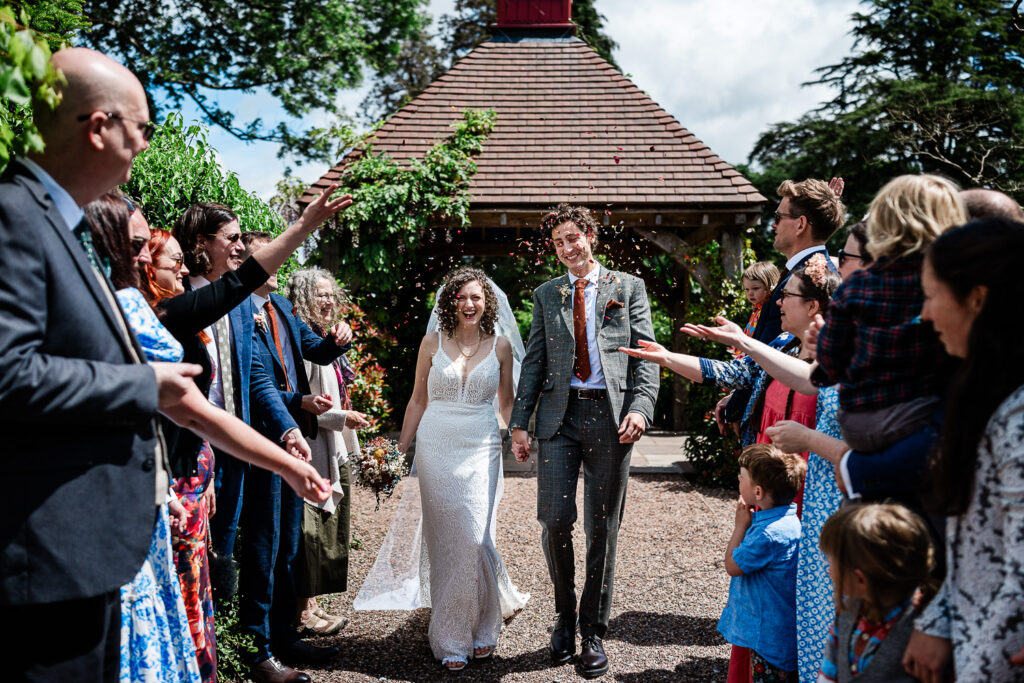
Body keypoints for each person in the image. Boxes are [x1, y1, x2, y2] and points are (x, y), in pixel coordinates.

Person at [0, 47, 199, 682]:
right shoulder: (12, 216)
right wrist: (142, 384)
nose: (145, 143)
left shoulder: (62, 224)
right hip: (44, 559)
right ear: (98, 127)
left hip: (81, 556)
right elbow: (8, 374)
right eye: (140, 127)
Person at [510, 204, 659, 679]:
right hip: (559, 417)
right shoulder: (546, 294)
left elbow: (646, 355)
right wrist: (519, 422)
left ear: (590, 236)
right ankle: (564, 614)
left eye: (573, 237)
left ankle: (593, 629)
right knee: (554, 519)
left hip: (611, 417)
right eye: (558, 242)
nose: (567, 247)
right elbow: (534, 361)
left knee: (602, 526)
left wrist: (641, 407)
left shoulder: (627, 287)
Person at [356, 266, 528, 671]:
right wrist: (397, 451)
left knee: (476, 535)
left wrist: (519, 435)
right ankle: (451, 634)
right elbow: (418, 399)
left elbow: (506, 403)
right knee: (448, 540)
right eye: (461, 297)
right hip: (436, 446)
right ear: (449, 302)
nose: (469, 304)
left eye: (476, 297)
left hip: (482, 445)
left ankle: (484, 621)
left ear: (487, 303)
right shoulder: (431, 343)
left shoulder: (501, 346)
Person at [902, 218, 1024, 682]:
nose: (924, 314)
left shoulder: (1018, 415)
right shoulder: (984, 389)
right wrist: (939, 621)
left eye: (931, 296)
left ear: (976, 298)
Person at [244, 232, 353, 677]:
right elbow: (257, 383)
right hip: (263, 440)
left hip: (296, 441)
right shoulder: (240, 311)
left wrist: (339, 339)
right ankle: (257, 649)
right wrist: (299, 404)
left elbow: (317, 351)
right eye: (265, 255)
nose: (277, 263)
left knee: (288, 545)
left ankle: (285, 636)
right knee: (264, 547)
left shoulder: (283, 308)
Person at [811, 174, 965, 453]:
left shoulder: (857, 284)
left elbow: (831, 364)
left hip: (858, 423)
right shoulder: (946, 285)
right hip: (920, 423)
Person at [284, 268, 370, 636]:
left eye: (331, 294)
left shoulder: (322, 337)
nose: (328, 301)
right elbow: (301, 403)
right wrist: (342, 417)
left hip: (332, 444)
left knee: (325, 528)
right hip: (313, 446)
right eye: (320, 294)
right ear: (302, 297)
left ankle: (313, 605)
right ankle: (302, 612)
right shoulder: (299, 342)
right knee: (311, 531)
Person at [721, 178, 845, 429]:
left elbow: (767, 354)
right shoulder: (809, 271)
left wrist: (734, 409)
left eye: (778, 217)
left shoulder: (808, 278)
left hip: (783, 418)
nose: (773, 224)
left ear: (800, 224)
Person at [818, 503, 935, 683]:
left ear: (860, 580)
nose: (828, 570)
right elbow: (829, 670)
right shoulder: (848, 613)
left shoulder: (920, 633)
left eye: (831, 562)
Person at [719, 444, 806, 682]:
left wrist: (740, 526)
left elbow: (732, 566)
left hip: (768, 638)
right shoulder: (791, 522)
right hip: (782, 630)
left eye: (742, 477)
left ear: (758, 492)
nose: (738, 479)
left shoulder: (766, 534)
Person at [733, 262, 780, 358]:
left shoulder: (770, 309)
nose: (750, 293)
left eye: (755, 288)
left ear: (770, 286)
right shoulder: (757, 309)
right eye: (746, 289)